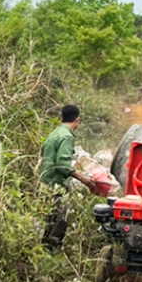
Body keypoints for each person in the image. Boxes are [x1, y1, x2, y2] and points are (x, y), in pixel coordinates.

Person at [39, 105, 96, 250]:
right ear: (77, 120)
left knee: (49, 220)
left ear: (61, 118)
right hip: (56, 185)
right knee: (59, 221)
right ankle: (52, 252)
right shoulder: (67, 136)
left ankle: (43, 250)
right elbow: (63, 165)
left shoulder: (55, 133)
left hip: (45, 182)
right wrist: (83, 179)